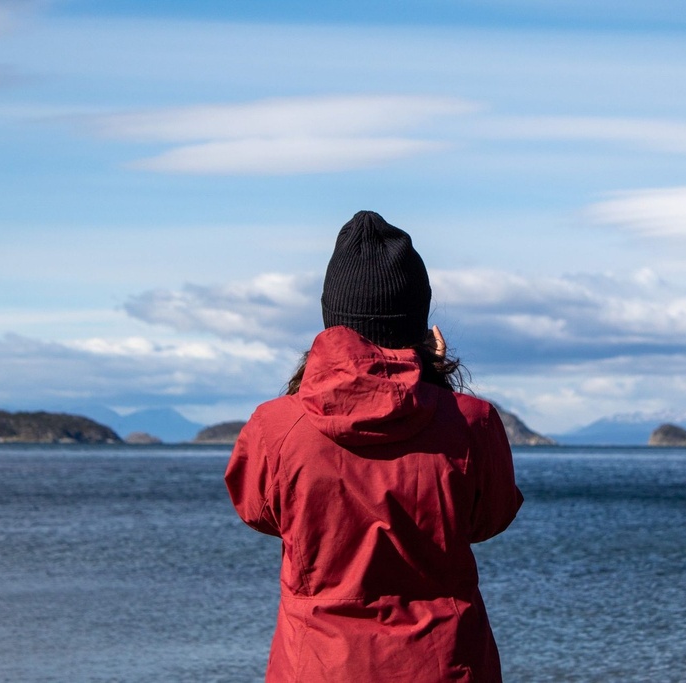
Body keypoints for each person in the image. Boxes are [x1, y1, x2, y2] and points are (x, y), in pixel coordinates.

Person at [225, 210, 524, 682]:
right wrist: (434, 382)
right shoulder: (473, 422)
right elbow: (489, 520)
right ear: (421, 326)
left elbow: (260, 512)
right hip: (445, 663)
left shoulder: (275, 425)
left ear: (331, 322)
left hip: (319, 664)